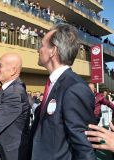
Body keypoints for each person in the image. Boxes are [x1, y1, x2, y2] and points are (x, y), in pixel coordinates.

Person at [30, 24, 97, 160]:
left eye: (42, 45)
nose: (39, 49)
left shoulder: (74, 88)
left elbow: (83, 147)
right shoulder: (54, 84)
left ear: (53, 51)